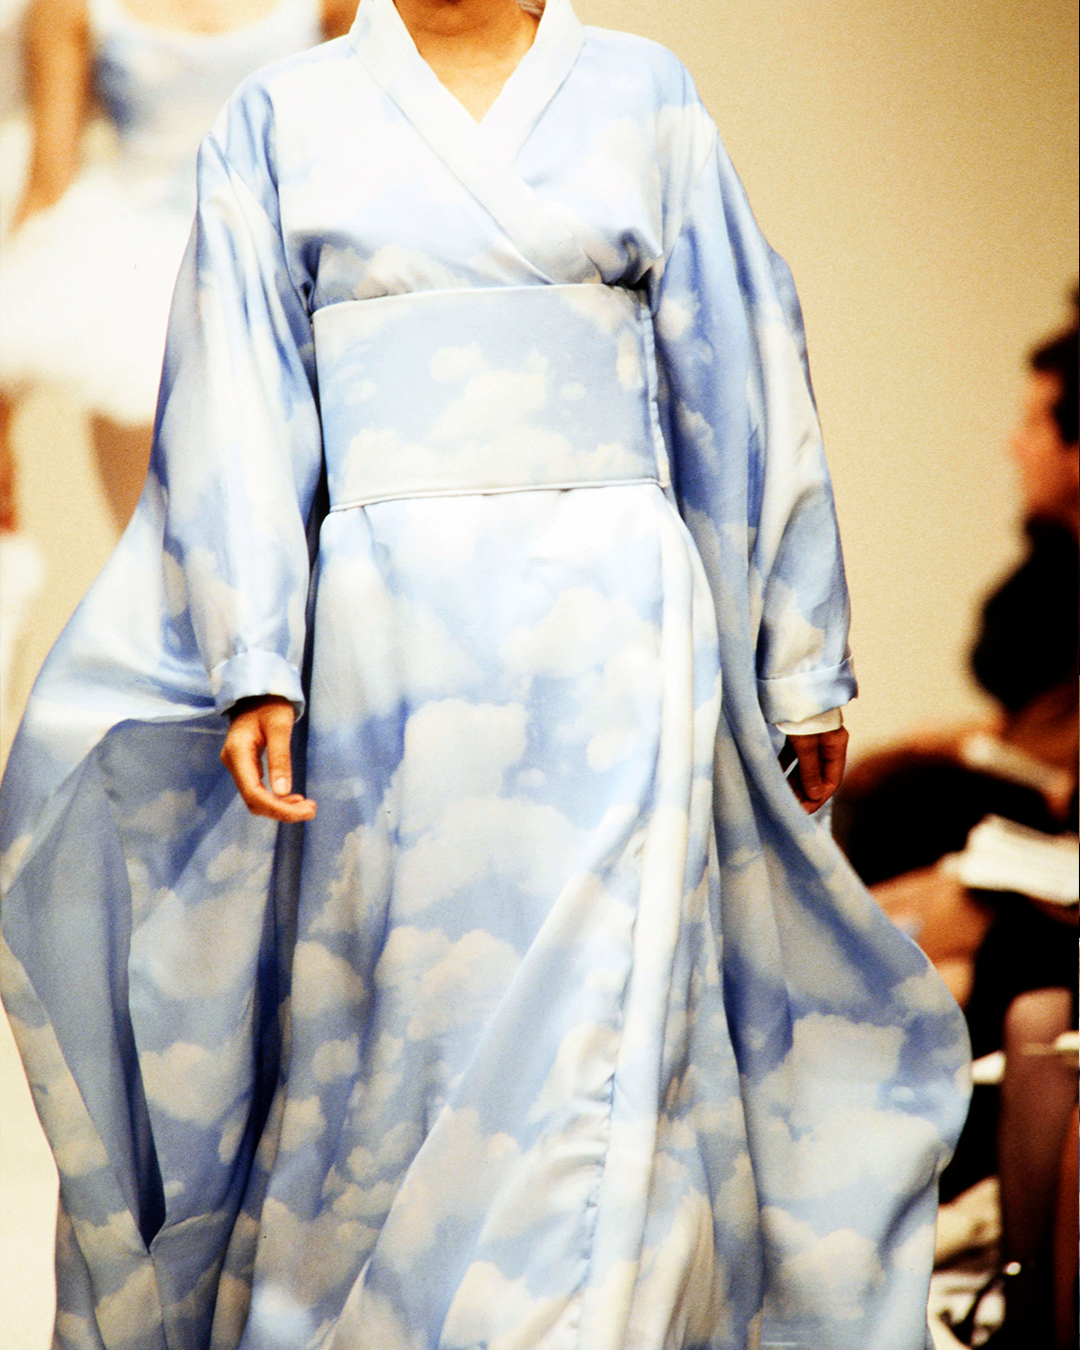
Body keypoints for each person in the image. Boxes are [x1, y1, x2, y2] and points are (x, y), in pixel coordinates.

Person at [0, 1, 969, 1345]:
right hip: (386, 650)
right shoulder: (285, 116)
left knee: (614, 1010)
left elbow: (743, 370)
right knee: (404, 1020)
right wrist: (255, 652)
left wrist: (799, 653)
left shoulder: (642, 93)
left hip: (621, 626)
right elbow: (239, 395)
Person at [0, 0, 356, 531]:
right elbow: (48, 184)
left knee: (295, 538)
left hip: (282, 279)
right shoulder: (67, 8)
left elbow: (357, 159)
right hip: (134, 305)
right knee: (153, 544)